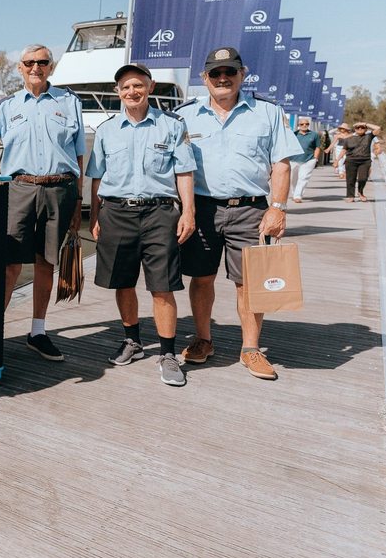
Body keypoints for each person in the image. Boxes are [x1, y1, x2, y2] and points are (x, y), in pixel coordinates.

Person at [175, 47, 302, 381]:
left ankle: (250, 348)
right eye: (215, 73)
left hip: (250, 209)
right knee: (201, 279)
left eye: (229, 72)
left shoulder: (267, 112)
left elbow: (282, 164)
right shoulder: (184, 115)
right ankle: (203, 339)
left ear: (242, 74)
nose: (222, 78)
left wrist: (278, 208)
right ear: (204, 78)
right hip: (201, 209)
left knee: (249, 283)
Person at [0, 44, 84, 361]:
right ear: (20, 69)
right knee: (9, 264)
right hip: (20, 189)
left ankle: (37, 331)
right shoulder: (7, 107)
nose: (36, 67)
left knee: (46, 263)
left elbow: (79, 155)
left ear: (51, 67)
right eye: (29, 62)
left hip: (60, 190)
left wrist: (78, 200)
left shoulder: (70, 103)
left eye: (42, 62)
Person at [85, 63, 196, 387]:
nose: (131, 92)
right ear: (118, 92)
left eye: (138, 85)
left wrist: (188, 212)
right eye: (125, 87)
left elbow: (184, 172)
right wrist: (94, 217)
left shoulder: (171, 126)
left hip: (160, 214)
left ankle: (167, 354)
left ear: (150, 86)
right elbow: (97, 177)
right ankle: (132, 340)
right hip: (117, 213)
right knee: (123, 281)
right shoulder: (106, 130)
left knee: (163, 285)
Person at [340, 123, 380, 202]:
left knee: (363, 178)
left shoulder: (368, 136)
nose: (360, 129)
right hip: (351, 160)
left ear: (366, 129)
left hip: (364, 161)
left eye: (362, 127)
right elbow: (344, 150)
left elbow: (378, 128)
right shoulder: (349, 139)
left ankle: (360, 192)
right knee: (350, 179)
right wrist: (337, 160)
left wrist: (365, 123)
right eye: (358, 127)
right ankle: (350, 196)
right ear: (355, 129)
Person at [289, 117, 321, 203]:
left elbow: (317, 147)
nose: (304, 125)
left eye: (306, 124)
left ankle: (298, 195)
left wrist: (315, 158)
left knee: (303, 178)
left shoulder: (314, 135)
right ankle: (294, 192)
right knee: (293, 178)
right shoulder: (293, 134)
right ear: (298, 125)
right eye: (302, 124)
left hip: (308, 160)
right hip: (293, 159)